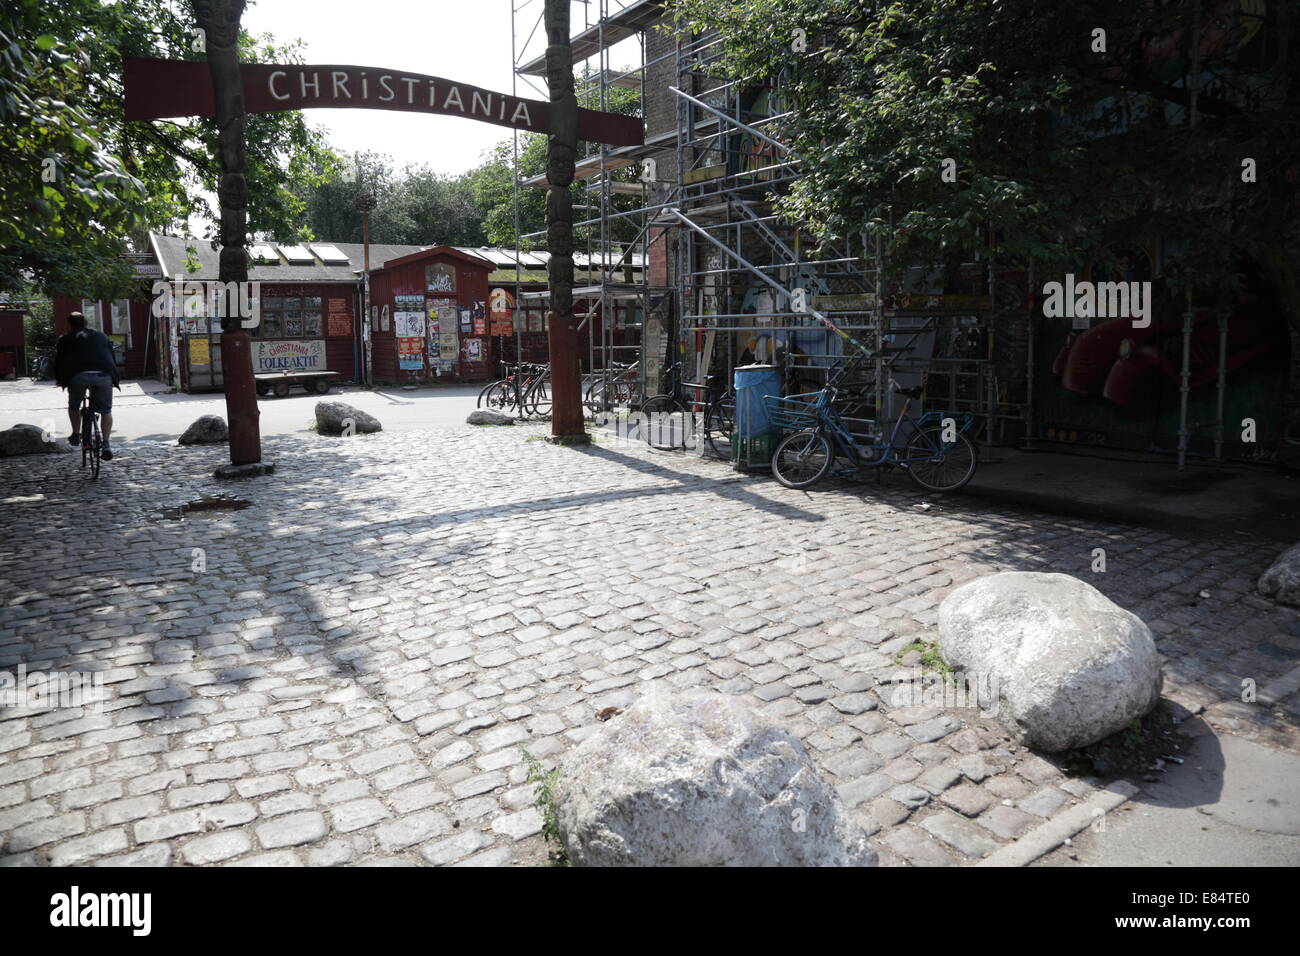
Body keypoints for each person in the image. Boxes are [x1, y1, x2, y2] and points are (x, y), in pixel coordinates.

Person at [54, 311, 121, 459]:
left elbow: (59, 361)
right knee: (106, 410)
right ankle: (106, 443)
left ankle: (76, 435)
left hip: (78, 376)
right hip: (104, 374)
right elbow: (111, 356)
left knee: (74, 406)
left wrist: (60, 380)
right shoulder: (101, 336)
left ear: (69, 324)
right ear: (85, 322)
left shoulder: (65, 339)